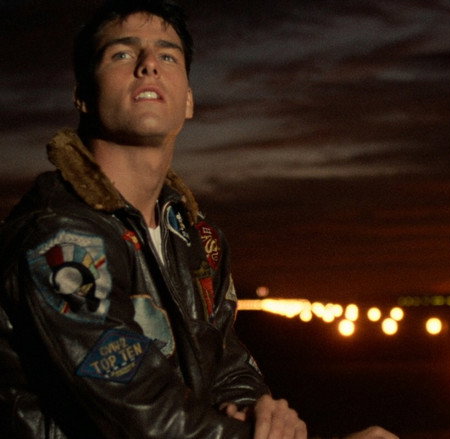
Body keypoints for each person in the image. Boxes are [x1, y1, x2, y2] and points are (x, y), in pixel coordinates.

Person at [0, 1, 397, 438]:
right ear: (84, 95)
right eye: (122, 54)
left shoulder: (195, 238)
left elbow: (228, 365)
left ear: (188, 100)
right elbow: (140, 417)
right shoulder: (59, 238)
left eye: (167, 55)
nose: (149, 65)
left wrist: (258, 412)